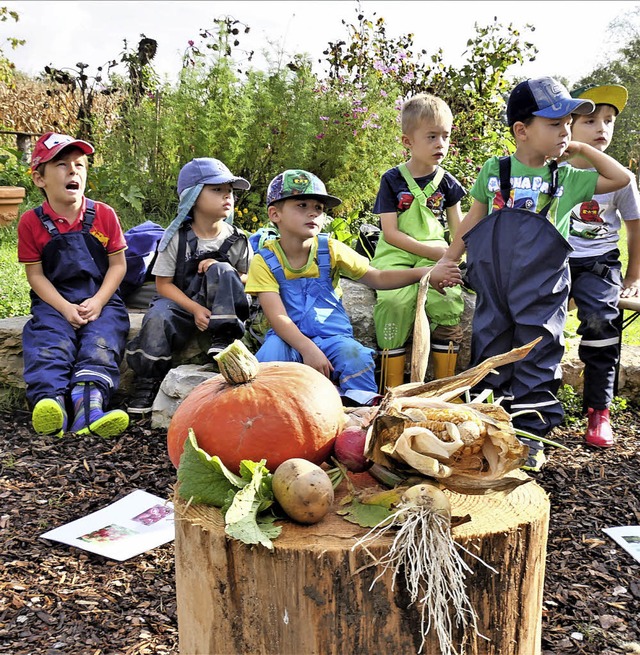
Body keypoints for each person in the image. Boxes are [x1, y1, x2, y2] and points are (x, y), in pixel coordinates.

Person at [438, 77, 632, 471]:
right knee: (492, 352)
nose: (564, 131)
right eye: (555, 124)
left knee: (538, 356)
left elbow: (621, 179)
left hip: (542, 289)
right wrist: (449, 259)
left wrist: (578, 148)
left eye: (567, 124)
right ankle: (489, 433)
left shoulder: (568, 178)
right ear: (522, 131)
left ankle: (531, 437)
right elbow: (475, 219)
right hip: (493, 284)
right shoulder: (496, 169)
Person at [244, 169, 463, 406]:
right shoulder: (264, 260)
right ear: (275, 214)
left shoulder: (331, 249)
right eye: (302, 205)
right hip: (287, 338)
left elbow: (377, 278)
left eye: (318, 208)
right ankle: (268, 410)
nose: (313, 213)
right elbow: (277, 317)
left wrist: (426, 273)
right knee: (269, 360)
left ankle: (360, 413)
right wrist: (308, 349)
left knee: (355, 356)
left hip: (332, 337)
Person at [17, 132, 130, 438]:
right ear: (40, 179)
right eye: (63, 165)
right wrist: (64, 308)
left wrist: (99, 301)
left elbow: (118, 265)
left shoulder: (103, 215)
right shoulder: (31, 222)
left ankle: (89, 405)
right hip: (55, 300)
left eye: (80, 165)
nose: (73, 171)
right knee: (48, 339)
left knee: (103, 338)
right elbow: (36, 275)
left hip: (100, 298)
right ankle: (50, 403)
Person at [125, 157, 253, 415]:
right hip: (183, 301)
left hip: (224, 305)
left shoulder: (237, 239)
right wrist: (194, 309)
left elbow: (250, 278)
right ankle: (147, 380)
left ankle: (224, 336)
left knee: (222, 268)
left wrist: (222, 271)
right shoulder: (178, 238)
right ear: (193, 197)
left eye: (230, 191)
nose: (227, 196)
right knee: (159, 315)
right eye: (217, 190)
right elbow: (163, 285)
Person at [371, 93, 466, 388]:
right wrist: (434, 252)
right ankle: (393, 391)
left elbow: (459, 229)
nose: (441, 144)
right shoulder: (392, 180)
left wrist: (454, 257)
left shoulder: (449, 183)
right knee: (394, 302)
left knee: (448, 301)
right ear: (407, 142)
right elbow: (391, 233)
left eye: (445, 136)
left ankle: (443, 389)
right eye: (432, 136)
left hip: (437, 254)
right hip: (395, 253)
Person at [566, 83, 640, 448]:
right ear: (569, 125)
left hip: (599, 264)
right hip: (554, 260)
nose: (602, 128)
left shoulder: (620, 178)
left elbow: (635, 227)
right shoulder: (555, 169)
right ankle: (534, 399)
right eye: (591, 120)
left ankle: (599, 410)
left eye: (608, 121)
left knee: (600, 322)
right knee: (534, 320)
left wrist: (634, 276)